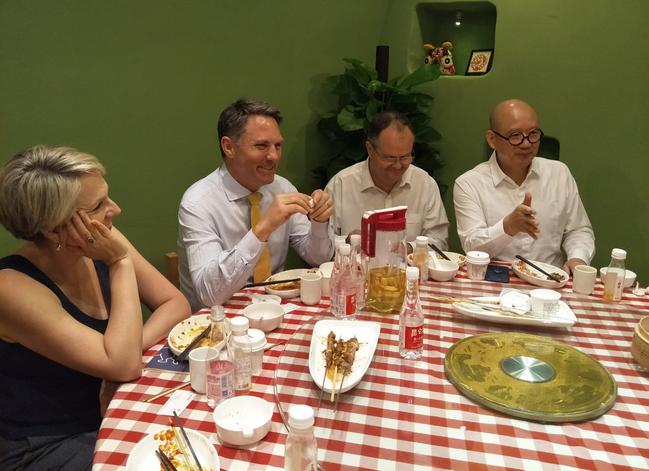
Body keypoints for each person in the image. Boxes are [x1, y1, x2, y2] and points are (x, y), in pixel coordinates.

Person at [0, 145, 191, 470]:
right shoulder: (11, 287)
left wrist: (123, 351)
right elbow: (125, 365)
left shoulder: (99, 238)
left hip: (113, 408)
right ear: (53, 227)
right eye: (99, 205)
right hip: (45, 443)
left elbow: (176, 304)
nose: (115, 209)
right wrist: (119, 263)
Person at [178, 98, 334, 309]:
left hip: (277, 308)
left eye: (277, 146)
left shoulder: (283, 187)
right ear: (229, 147)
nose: (273, 156)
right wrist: (263, 228)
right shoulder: (198, 202)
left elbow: (318, 258)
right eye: (261, 146)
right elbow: (209, 295)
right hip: (217, 322)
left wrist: (319, 222)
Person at [453, 99, 594, 274]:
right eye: (515, 136)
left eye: (533, 134)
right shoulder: (469, 183)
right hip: (495, 282)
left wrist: (577, 258)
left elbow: (578, 230)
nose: (527, 143)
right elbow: (472, 248)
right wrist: (508, 227)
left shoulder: (559, 174)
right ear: (492, 139)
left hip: (550, 281)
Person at [325, 110, 448, 248]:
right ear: (370, 149)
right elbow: (324, 246)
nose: (397, 165)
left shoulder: (425, 184)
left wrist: (409, 248)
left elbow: (438, 241)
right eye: (389, 158)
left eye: (405, 157)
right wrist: (348, 242)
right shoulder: (342, 184)